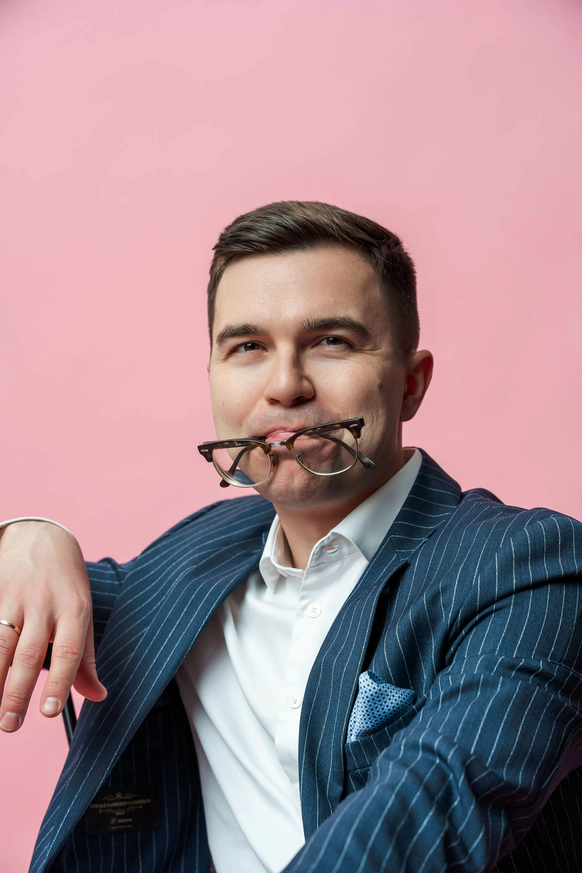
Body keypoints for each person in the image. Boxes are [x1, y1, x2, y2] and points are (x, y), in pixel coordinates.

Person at [1, 201, 581, 873]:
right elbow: (50, 594)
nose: (285, 386)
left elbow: (428, 810)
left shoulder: (532, 569)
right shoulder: (190, 562)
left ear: (412, 384)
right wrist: (28, 536)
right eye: (248, 347)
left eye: (331, 341)